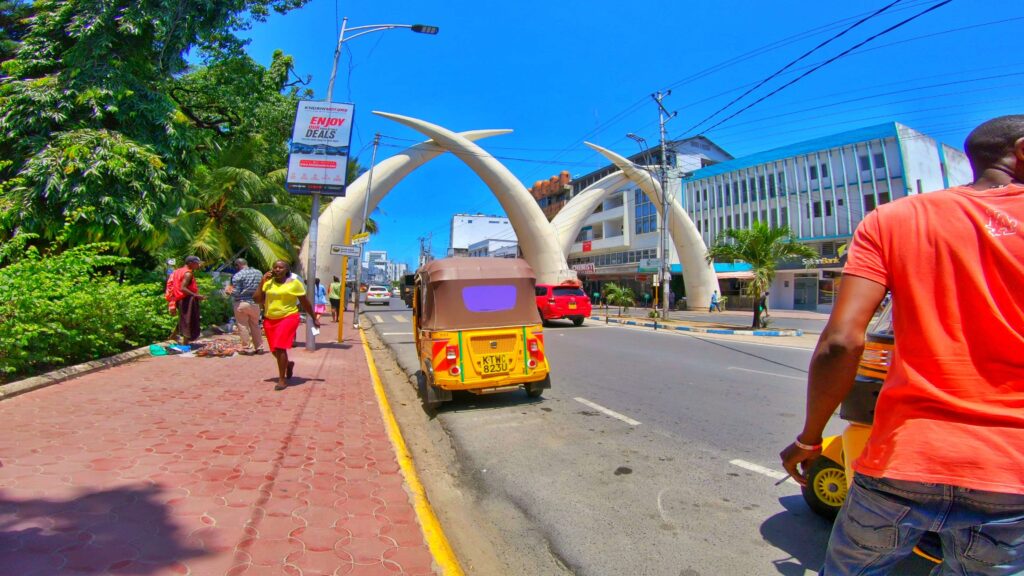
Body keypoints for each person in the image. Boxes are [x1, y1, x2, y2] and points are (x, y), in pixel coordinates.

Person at [780, 115, 1024, 575]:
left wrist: (809, 439)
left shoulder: (894, 219)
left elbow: (840, 342)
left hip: (902, 458)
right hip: (1012, 473)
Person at [253, 260, 320, 391]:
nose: (277, 269)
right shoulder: (268, 283)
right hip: (270, 319)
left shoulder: (295, 284)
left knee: (280, 347)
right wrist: (262, 281)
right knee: (274, 350)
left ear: (286, 270)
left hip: (288, 317)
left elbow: (305, 303)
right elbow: (257, 299)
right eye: (275, 267)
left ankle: (282, 380)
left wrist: (313, 317)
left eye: (280, 267)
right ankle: (288, 365)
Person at [226, 258, 264, 355]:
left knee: (243, 326)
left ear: (237, 265)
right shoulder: (258, 273)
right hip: (255, 303)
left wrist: (228, 291)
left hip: (242, 302)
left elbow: (236, 292)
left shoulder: (238, 275)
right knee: (255, 325)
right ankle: (259, 347)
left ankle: (247, 348)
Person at [171, 256, 205, 345]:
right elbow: (183, 288)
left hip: (179, 298)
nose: (198, 265)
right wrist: (196, 295)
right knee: (188, 320)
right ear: (190, 263)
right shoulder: (188, 273)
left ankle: (174, 335)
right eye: (196, 263)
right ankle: (185, 342)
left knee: (183, 318)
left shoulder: (178, 271)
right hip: (187, 299)